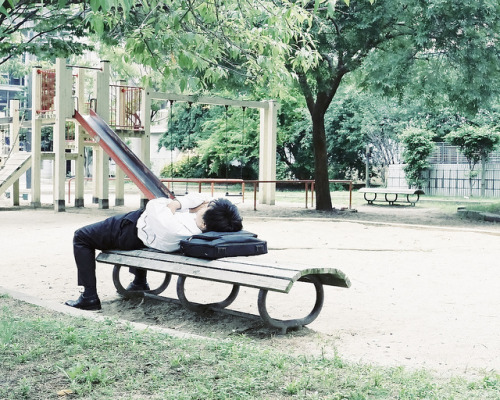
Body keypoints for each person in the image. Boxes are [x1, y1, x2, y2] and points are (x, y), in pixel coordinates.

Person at [65, 194, 243, 311]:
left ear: (204, 223)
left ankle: (89, 296)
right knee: (148, 234)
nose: (203, 205)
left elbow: (154, 204)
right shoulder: (212, 224)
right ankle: (139, 282)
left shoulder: (175, 228)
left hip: (129, 231)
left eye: (205, 208)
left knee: (81, 237)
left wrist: (178, 205)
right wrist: (182, 207)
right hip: (149, 233)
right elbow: (204, 198)